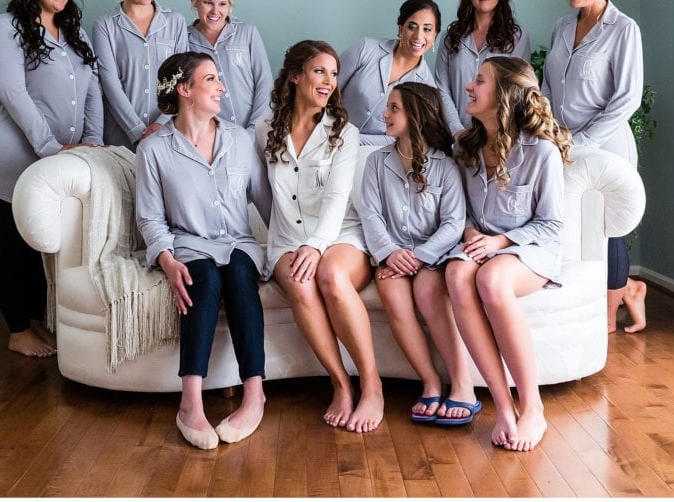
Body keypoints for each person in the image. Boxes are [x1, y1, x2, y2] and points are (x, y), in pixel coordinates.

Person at [136, 52, 271, 450]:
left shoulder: (240, 138)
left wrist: (293, 248)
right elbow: (149, 218)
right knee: (205, 277)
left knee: (241, 275)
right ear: (184, 89)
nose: (222, 87)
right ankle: (190, 403)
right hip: (189, 244)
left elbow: (265, 202)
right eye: (211, 79)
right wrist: (166, 259)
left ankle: (254, 395)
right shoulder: (154, 149)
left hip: (239, 243)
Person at [0, 0, 102, 358]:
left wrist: (94, 144)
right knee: (13, 241)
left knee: (42, 244)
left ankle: (34, 321)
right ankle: (17, 330)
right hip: (11, 153)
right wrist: (49, 146)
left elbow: (92, 90)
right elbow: (13, 94)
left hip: (60, 158)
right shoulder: (5, 27)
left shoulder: (74, 34)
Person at [444, 56, 572, 451]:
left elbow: (551, 224)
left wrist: (500, 243)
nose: (469, 86)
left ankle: (532, 407)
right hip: (480, 245)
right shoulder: (466, 147)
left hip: (529, 250)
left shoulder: (540, 153)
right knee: (455, 275)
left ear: (503, 95)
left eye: (479, 81)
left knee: (492, 278)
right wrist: (469, 232)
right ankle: (502, 407)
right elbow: (459, 209)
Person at [256, 40, 383, 433]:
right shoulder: (263, 131)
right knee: (299, 279)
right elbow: (262, 195)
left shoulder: (344, 133)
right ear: (295, 76)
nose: (329, 81)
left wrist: (315, 245)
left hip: (340, 233)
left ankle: (373, 385)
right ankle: (340, 384)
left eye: (333, 73)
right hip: (287, 239)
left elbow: (337, 198)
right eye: (319, 71)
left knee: (329, 275)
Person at [540, 0, 646, 333]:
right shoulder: (561, 26)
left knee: (603, 226)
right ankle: (627, 291)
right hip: (561, 143)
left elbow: (626, 100)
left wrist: (579, 142)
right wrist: (552, 132)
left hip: (604, 149)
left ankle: (604, 319)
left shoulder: (624, 30)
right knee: (571, 226)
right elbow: (547, 86)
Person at [359, 82, 478, 426]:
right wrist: (389, 252)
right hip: (391, 253)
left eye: (394, 108)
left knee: (427, 290)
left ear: (416, 114)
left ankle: (461, 383)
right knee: (392, 294)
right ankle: (429, 381)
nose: (385, 114)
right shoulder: (376, 163)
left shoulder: (446, 165)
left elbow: (454, 222)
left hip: (433, 255)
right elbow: (371, 214)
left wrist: (422, 256)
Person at [92, 0, 189, 151]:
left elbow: (182, 78)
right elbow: (110, 84)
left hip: (168, 132)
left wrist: (161, 124)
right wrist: (137, 131)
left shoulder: (175, 22)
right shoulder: (105, 26)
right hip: (120, 137)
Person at [436, 0, 531, 135]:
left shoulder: (517, 38)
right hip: (455, 136)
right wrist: (457, 131)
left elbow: (517, 91)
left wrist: (496, 133)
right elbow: (442, 89)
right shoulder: (451, 37)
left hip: (498, 136)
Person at [338, 0, 439, 145]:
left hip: (374, 155)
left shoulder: (427, 87)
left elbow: (403, 137)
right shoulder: (366, 48)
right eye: (412, 27)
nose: (418, 36)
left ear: (435, 35)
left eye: (427, 29)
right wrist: (330, 133)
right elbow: (328, 90)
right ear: (400, 28)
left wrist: (349, 140)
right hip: (329, 140)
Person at [185, 0, 273, 131]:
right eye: (208, 3)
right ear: (194, 0)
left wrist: (254, 130)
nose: (215, 11)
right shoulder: (184, 40)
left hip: (254, 132)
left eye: (222, 4)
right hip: (211, 135)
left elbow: (264, 84)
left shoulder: (247, 33)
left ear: (230, 4)